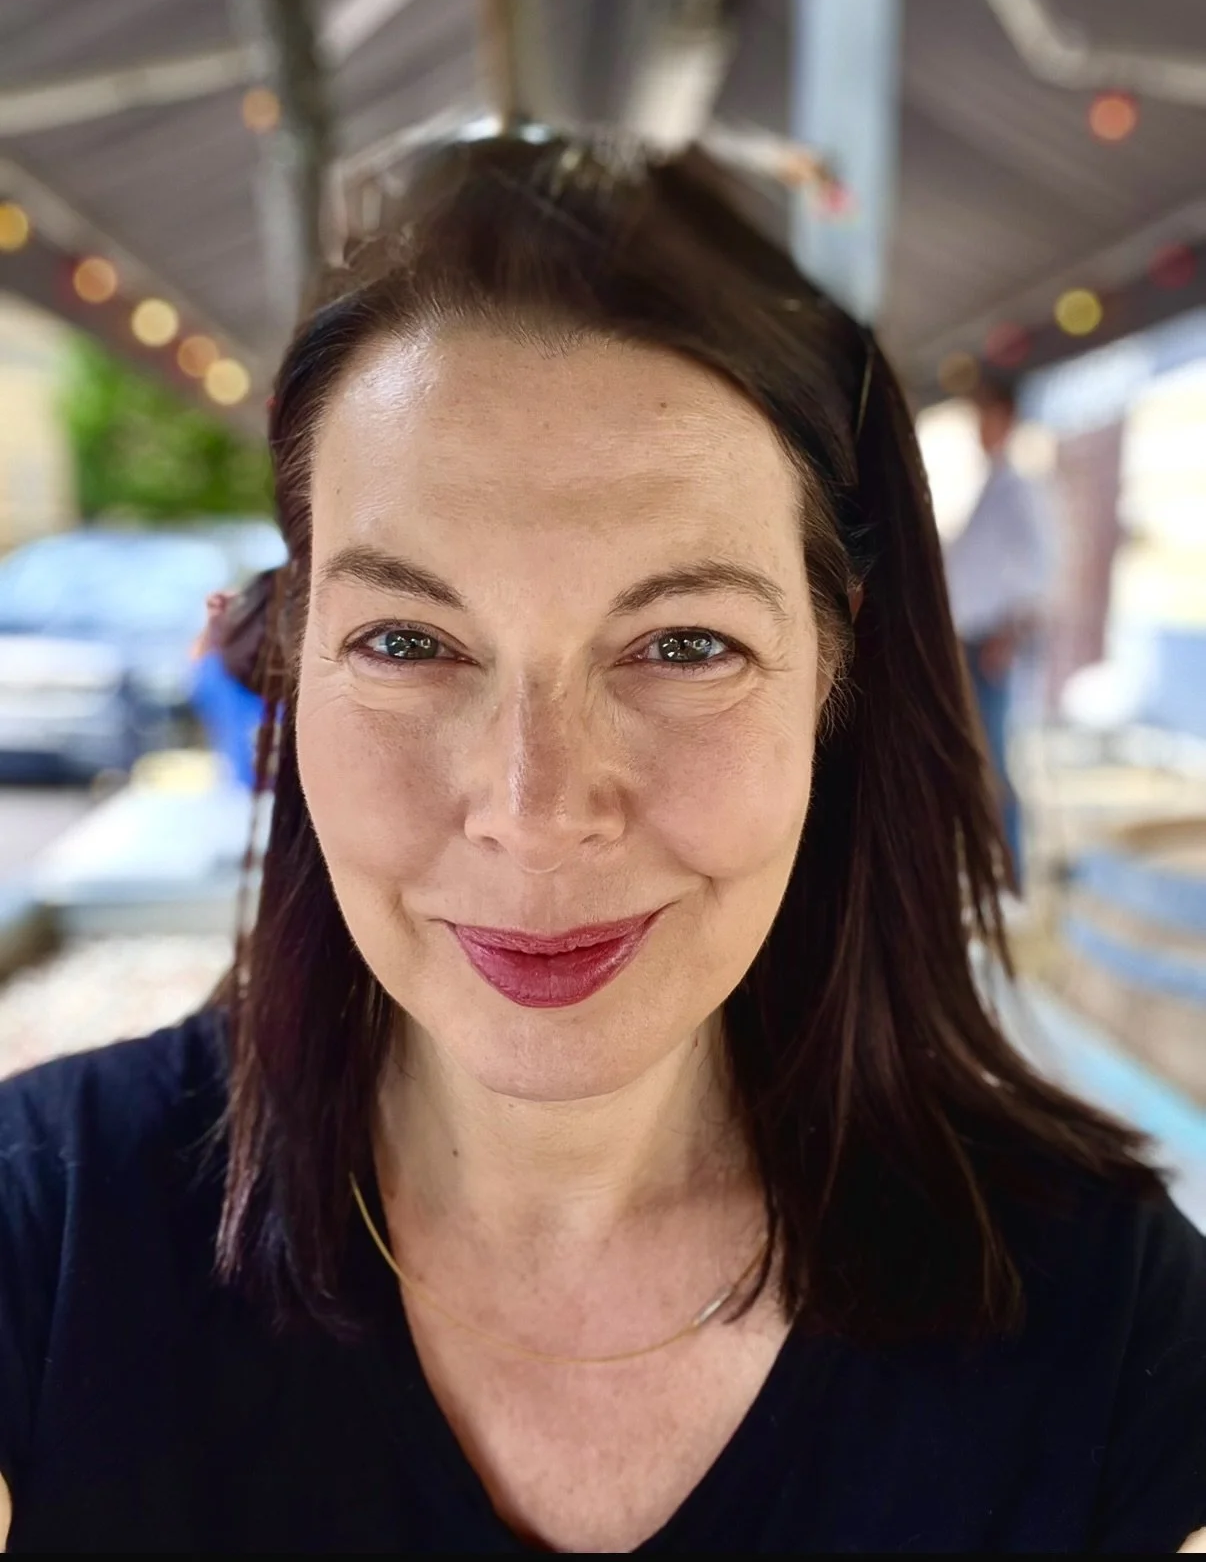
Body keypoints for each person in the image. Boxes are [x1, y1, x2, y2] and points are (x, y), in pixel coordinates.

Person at [0, 130, 1203, 1555]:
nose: (534, 807)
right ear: (295, 655)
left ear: (838, 675)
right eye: (407, 640)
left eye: (683, 643)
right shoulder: (44, 1238)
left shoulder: (1112, 1333)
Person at [943, 376, 1056, 892]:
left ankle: (1011, 873)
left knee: (994, 756)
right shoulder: (992, 485)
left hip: (991, 641)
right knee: (974, 752)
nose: (979, 428)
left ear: (1006, 419)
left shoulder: (1018, 488)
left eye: (986, 417)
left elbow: (1039, 567)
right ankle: (987, 864)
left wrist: (1008, 635)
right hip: (970, 636)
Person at [188, 569, 277, 789]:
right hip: (247, 795)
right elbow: (200, 664)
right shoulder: (221, 679)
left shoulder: (217, 674)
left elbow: (199, 662)